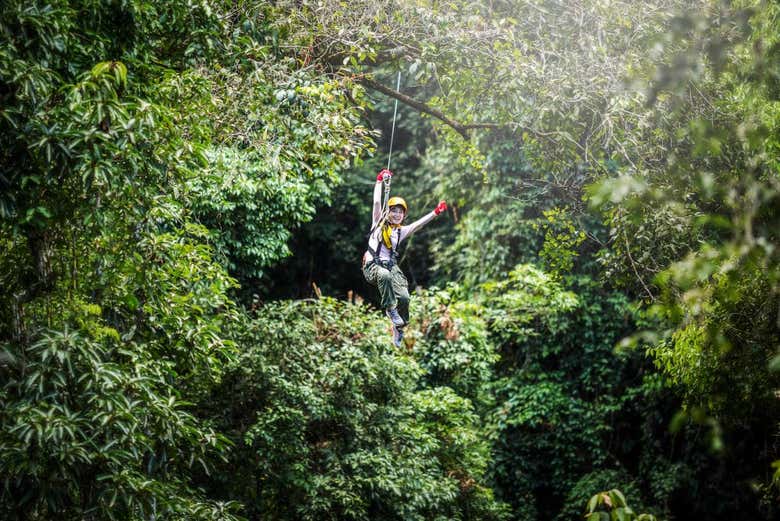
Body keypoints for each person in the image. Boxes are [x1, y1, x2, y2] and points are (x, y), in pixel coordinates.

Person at [362, 168, 447, 346]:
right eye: (394, 211)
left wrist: (436, 212)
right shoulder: (378, 222)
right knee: (384, 276)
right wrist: (379, 181)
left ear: (403, 215)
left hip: (390, 267)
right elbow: (377, 202)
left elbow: (418, 225)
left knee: (405, 297)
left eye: (400, 212)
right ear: (389, 212)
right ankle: (390, 310)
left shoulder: (401, 231)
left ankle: (399, 327)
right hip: (372, 268)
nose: (397, 214)